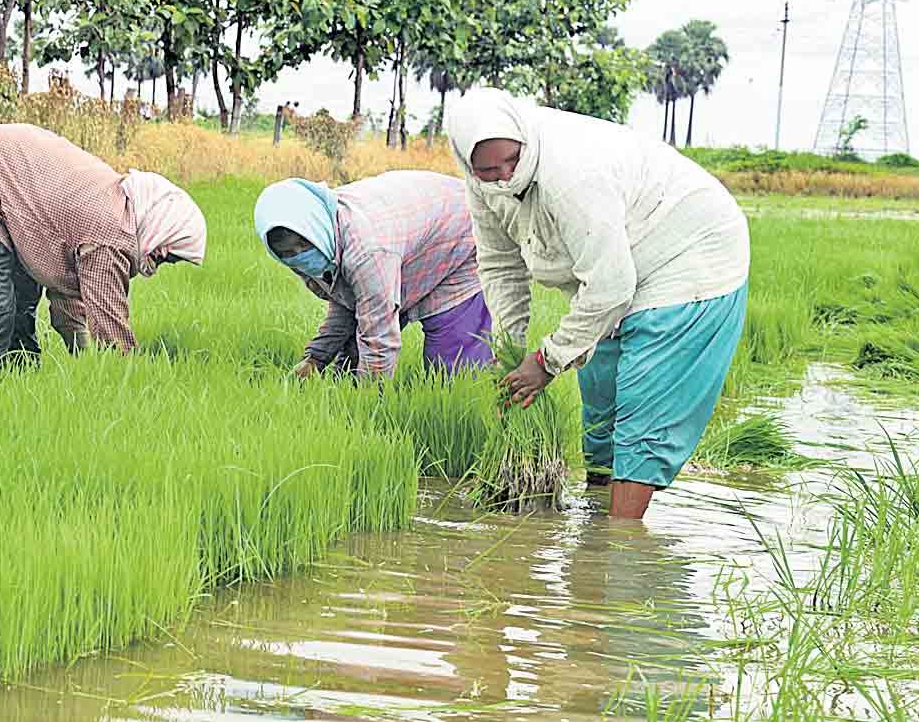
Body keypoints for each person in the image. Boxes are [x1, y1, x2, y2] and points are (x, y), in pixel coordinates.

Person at [445, 89, 750, 520]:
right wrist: (510, 350)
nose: (506, 176)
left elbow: (611, 287)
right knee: (601, 408)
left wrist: (546, 361)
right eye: (490, 170)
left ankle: (618, 543)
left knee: (643, 414)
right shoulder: (482, 185)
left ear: (524, 140)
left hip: (688, 258)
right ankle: (594, 519)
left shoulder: (571, 172)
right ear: (468, 164)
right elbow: (500, 263)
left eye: (513, 160)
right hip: (616, 267)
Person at [0, 123, 206, 364]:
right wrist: (130, 376)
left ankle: (15, 392)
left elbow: (67, 292)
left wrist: (80, 359)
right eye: (169, 256)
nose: (162, 262)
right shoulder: (113, 233)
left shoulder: (115, 207)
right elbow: (111, 331)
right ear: (161, 234)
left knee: (21, 314)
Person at [253, 171, 493, 380]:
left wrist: (367, 402)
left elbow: (379, 338)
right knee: (349, 365)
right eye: (288, 253)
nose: (299, 255)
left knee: (454, 365)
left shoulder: (366, 249)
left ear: (314, 227)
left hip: (463, 233)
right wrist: (315, 359)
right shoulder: (320, 237)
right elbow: (348, 303)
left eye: (303, 245)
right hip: (408, 238)